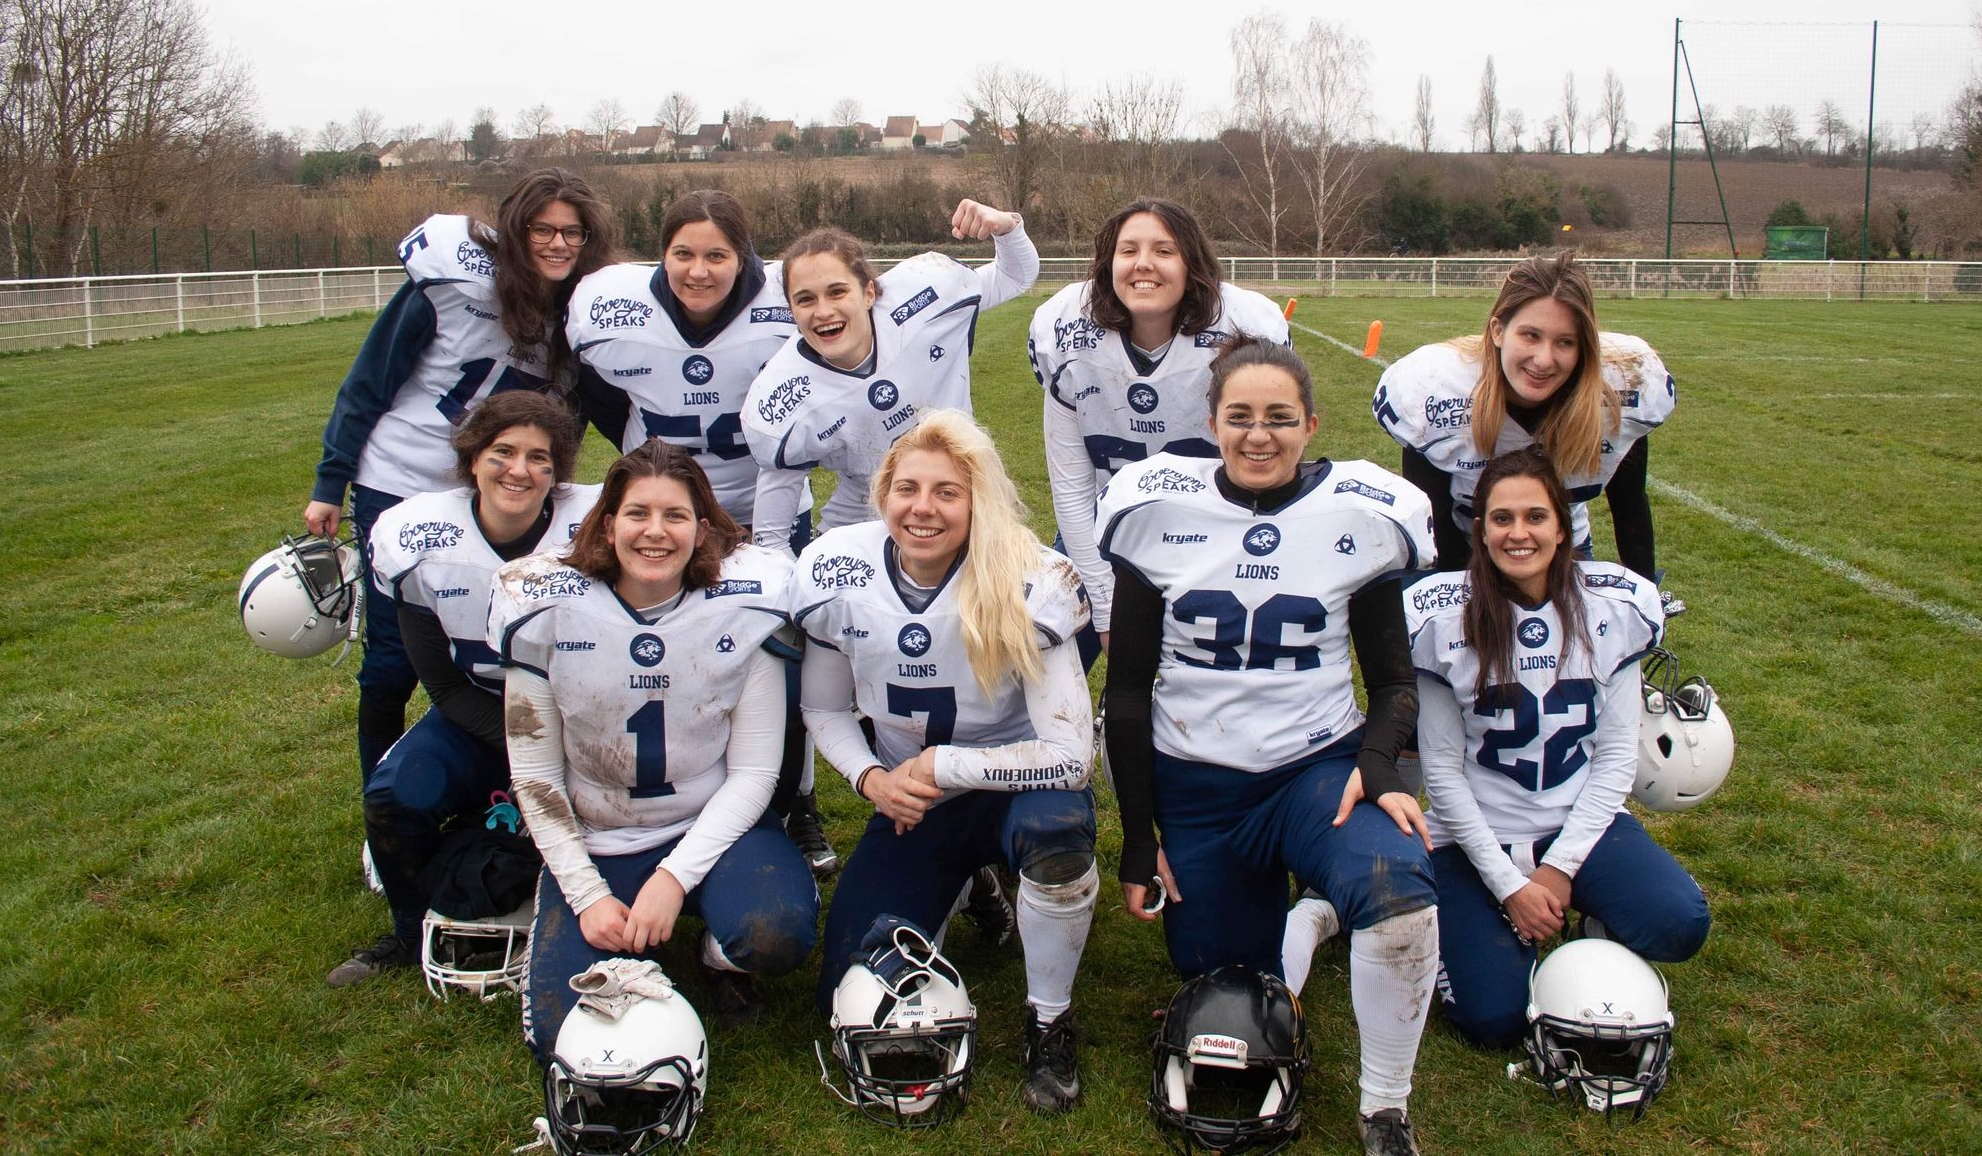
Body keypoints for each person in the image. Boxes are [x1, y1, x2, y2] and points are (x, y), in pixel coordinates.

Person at [1099, 337, 1441, 1156]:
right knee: (1220, 978)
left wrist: (1378, 761)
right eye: (1241, 417)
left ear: (1311, 424)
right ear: (1211, 423)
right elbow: (1125, 690)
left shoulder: (1359, 516)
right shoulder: (1157, 510)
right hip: (1198, 783)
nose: (1260, 435)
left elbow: (1396, 682)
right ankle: (1309, 918)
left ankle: (1385, 1106)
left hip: (1313, 771)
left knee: (1397, 889)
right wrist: (1142, 839)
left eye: (1280, 419)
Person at [792, 411, 1098, 1114]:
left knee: (1054, 835)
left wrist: (943, 767)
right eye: (907, 487)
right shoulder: (838, 566)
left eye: (946, 492)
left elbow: (1069, 754)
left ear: (977, 500)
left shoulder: (1030, 574)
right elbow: (827, 709)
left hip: (1019, 785)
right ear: (883, 492)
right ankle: (973, 886)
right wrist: (873, 779)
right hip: (912, 799)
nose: (922, 507)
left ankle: (1048, 1017)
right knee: (843, 986)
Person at [489, 440, 819, 1051]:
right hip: (601, 833)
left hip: (713, 824)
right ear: (609, 523)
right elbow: (535, 777)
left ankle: (719, 957)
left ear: (702, 528)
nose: (655, 532)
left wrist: (672, 877)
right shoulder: (546, 607)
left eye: (676, 516)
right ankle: (579, 904)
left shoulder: (743, 602)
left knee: (776, 933)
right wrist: (588, 896)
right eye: (638, 513)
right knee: (561, 1034)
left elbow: (752, 774)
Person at [305, 169, 618, 782]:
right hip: (404, 481)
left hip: (508, 494)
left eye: (573, 233)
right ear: (514, 230)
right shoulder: (455, 282)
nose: (558, 244)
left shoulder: (582, 312)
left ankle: (502, 781)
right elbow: (371, 378)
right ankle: (383, 798)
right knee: (394, 659)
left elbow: (599, 412)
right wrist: (330, 479)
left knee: (507, 642)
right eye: (542, 229)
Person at [567, 189, 835, 877]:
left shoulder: (784, 299)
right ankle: (675, 789)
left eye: (717, 254)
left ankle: (795, 800)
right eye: (683, 252)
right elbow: (589, 385)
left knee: (785, 663)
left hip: (764, 512)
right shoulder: (613, 305)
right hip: (664, 517)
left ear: (743, 254)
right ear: (662, 253)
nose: (698, 270)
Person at [1410, 447, 1710, 1051]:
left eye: (1535, 516)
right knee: (1492, 1017)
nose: (1518, 533)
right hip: (1473, 840)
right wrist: (1508, 885)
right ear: (1479, 528)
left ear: (1563, 525)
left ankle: (1584, 906)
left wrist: (1559, 865)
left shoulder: (1613, 607)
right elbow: (1440, 771)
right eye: (1501, 519)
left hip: (1579, 823)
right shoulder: (1442, 616)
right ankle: (1498, 917)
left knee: (1679, 925)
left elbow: (1618, 754)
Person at [326, 392, 598, 986]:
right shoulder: (418, 536)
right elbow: (443, 686)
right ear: (472, 458)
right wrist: (524, 755)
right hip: (476, 711)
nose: (519, 470)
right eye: (502, 452)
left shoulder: (596, 525)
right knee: (396, 796)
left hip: (590, 719)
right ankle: (406, 929)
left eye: (539, 458)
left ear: (559, 474)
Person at [1027, 197, 1289, 665]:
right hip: (1105, 523)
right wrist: (1105, 613)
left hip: (1215, 528)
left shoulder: (1244, 328)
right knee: (1039, 633)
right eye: (1128, 251)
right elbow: (1071, 489)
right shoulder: (1066, 330)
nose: (1143, 264)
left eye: (1164, 250)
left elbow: (1269, 467)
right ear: (1108, 264)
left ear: (1192, 263)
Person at [741, 200, 1039, 550]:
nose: (823, 311)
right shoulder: (781, 394)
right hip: (865, 520)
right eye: (805, 300)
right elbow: (772, 539)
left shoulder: (926, 296)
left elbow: (1014, 275)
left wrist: (1006, 228)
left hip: (962, 496)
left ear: (869, 291)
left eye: (837, 291)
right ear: (791, 310)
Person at [1372, 250, 1674, 579]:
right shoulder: (1437, 392)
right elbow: (1434, 517)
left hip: (1561, 546)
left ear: (1584, 347)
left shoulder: (1623, 387)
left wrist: (1645, 598)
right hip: (1463, 544)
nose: (1544, 360)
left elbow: (1629, 502)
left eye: (1565, 342)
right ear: (1498, 331)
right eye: (1531, 335)